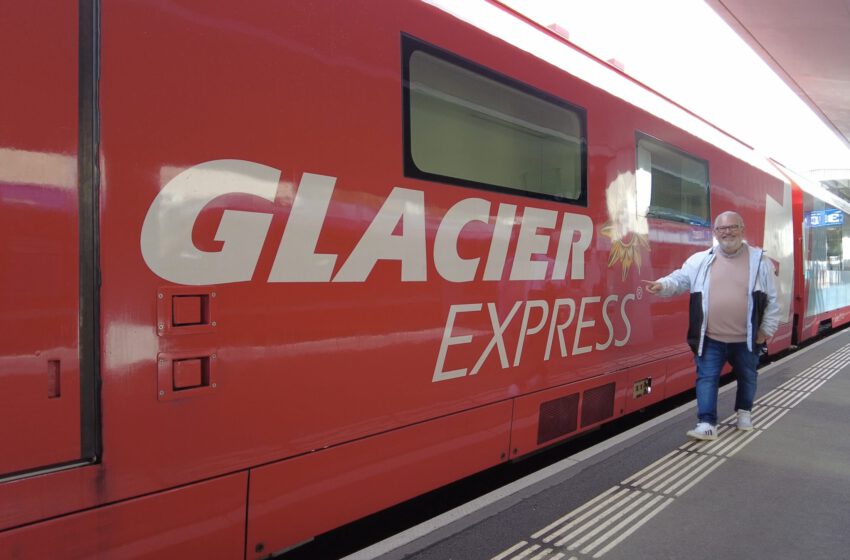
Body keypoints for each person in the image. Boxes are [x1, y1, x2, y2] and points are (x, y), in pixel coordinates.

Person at [644, 211, 780, 440]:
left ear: (742, 229)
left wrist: (766, 330)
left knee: (748, 377)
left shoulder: (760, 262)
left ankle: (744, 413)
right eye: (722, 229)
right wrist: (662, 285)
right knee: (706, 378)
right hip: (711, 336)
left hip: (746, 337)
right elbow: (680, 279)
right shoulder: (701, 260)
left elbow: (774, 299)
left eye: (732, 227)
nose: (727, 232)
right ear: (715, 233)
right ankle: (706, 423)